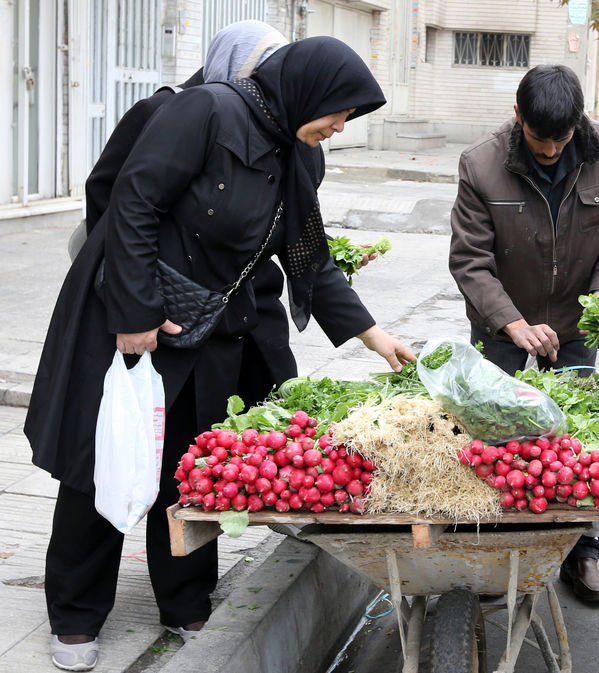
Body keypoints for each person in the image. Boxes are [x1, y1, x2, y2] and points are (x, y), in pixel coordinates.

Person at [27, 36, 417, 672]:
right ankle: (73, 615)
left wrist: (371, 334)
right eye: (340, 111)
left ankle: (183, 601)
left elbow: (306, 256)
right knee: (106, 461)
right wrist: (134, 313)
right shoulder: (204, 112)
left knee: (189, 470)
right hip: (136, 322)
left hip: (208, 333)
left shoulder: (297, 153)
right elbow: (130, 204)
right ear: (307, 91)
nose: (341, 125)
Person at [448, 64, 599, 603]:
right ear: (518, 118)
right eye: (539, 140)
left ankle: (580, 556)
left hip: (577, 322)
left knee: (577, 440)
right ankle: (495, 551)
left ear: (577, 124)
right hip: (501, 323)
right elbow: (470, 260)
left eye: (561, 140)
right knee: (493, 438)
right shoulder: (481, 163)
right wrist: (511, 321)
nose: (552, 151)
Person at [82, 20, 296, 409]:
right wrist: (131, 280)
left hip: (248, 306)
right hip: (172, 303)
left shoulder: (275, 127)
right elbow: (109, 193)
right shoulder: (167, 108)